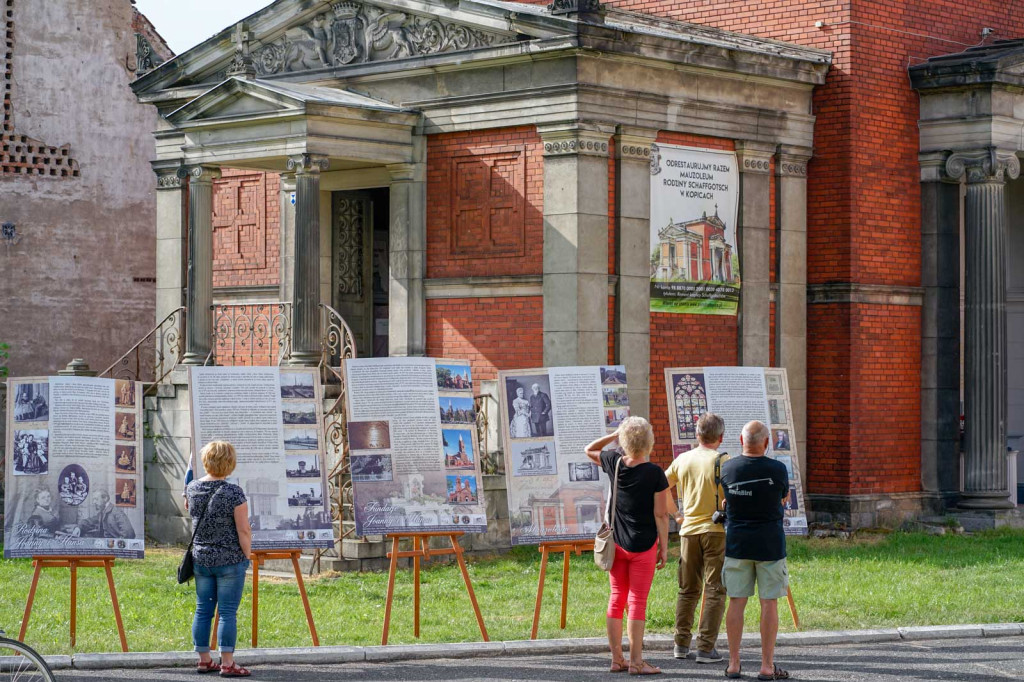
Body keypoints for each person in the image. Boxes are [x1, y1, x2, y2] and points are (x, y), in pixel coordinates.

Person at [585, 417, 670, 675]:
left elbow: (589, 449)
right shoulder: (655, 473)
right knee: (638, 602)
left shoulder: (615, 462)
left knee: (616, 599)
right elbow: (661, 515)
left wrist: (614, 435)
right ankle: (636, 662)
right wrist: (664, 547)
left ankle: (616, 659)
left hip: (617, 544)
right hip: (643, 545)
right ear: (649, 442)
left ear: (624, 441)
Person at [720, 421, 791, 681]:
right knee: (768, 602)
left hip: (737, 543)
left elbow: (727, 498)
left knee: (736, 601)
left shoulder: (727, 468)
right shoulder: (778, 469)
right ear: (767, 442)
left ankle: (734, 663)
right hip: (770, 544)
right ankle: (766, 665)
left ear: (741, 440)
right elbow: (783, 498)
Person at [664, 412, 728, 663]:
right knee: (714, 589)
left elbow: (661, 487)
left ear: (697, 434)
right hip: (715, 531)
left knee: (687, 589)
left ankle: (681, 644)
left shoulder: (683, 459)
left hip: (688, 531)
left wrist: (677, 515)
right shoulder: (724, 460)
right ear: (720, 437)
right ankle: (706, 647)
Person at [186, 441, 253, 677]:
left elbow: (191, 512)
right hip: (229, 560)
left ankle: (204, 660)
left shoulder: (192, 488)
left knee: (203, 609)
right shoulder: (233, 492)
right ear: (230, 463)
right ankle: (227, 663)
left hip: (201, 559)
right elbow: (243, 530)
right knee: (227, 612)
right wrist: (247, 556)